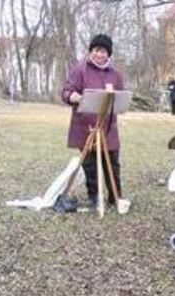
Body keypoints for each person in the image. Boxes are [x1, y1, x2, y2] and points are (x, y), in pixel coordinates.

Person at [61, 33, 125, 207]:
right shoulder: (79, 69)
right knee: (90, 165)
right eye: (97, 50)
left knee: (112, 162)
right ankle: (94, 197)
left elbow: (120, 97)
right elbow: (66, 91)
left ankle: (115, 197)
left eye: (104, 51)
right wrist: (74, 96)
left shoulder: (116, 74)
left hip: (108, 127)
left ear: (108, 54)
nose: (100, 54)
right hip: (85, 126)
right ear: (91, 51)